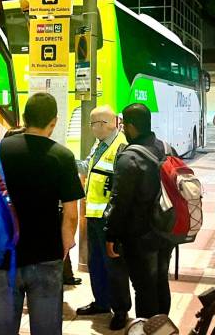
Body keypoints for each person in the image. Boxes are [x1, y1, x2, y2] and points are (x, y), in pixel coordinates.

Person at [0, 93, 84, 335]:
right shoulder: (62, 156)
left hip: (5, 253)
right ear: (53, 122)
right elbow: (71, 214)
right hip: (46, 254)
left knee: (2, 327)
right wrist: (64, 246)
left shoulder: (0, 150)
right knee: (46, 328)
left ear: (24, 118)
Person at [104, 103, 176, 319]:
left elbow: (120, 202)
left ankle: (148, 330)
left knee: (145, 288)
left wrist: (111, 235)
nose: (123, 129)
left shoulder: (129, 157)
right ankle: (163, 330)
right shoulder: (166, 147)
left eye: (124, 125)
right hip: (166, 230)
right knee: (161, 282)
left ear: (132, 126)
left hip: (140, 237)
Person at [75, 106, 132, 330]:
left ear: (104, 125)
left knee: (115, 266)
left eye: (93, 123)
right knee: (96, 262)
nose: (91, 128)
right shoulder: (99, 145)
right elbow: (87, 168)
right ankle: (101, 302)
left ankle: (121, 310)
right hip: (93, 215)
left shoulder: (121, 148)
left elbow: (122, 188)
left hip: (110, 218)